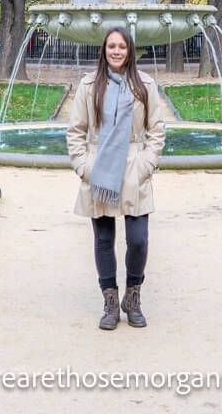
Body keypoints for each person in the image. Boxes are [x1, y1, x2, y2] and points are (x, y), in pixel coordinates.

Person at [65, 26, 168, 330]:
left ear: (130, 50)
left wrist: (146, 164)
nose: (117, 52)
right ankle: (110, 302)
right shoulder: (89, 85)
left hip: (134, 167)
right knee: (104, 239)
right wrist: (84, 167)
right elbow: (76, 131)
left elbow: (157, 130)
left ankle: (132, 297)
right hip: (100, 170)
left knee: (138, 240)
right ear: (104, 50)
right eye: (111, 46)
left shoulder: (144, 84)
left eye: (122, 46)